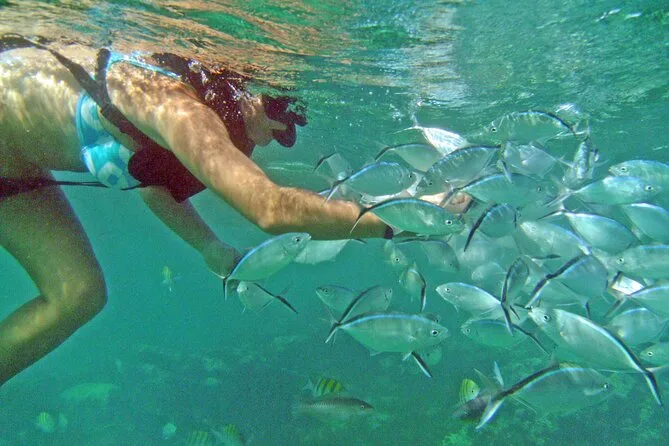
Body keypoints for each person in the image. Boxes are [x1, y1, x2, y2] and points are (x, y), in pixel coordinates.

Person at [0, 35, 469, 386]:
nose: (276, 136)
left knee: (78, 295)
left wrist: (208, 246)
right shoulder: (176, 105)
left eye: (292, 128)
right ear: (241, 82)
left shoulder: (189, 111)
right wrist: (402, 217)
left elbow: (153, 184)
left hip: (15, 169)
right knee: (79, 294)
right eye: (279, 111)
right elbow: (271, 209)